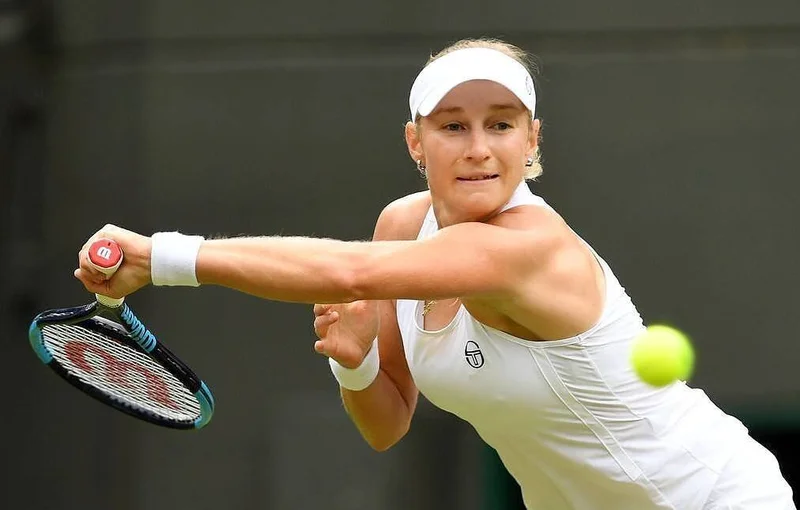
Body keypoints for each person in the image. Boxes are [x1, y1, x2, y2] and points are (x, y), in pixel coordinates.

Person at [74, 38, 794, 509]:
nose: (478, 148)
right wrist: (355, 363)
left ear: (532, 140)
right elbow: (386, 424)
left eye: (501, 124)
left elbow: (348, 272)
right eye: (452, 126)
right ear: (415, 142)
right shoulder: (402, 225)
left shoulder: (525, 247)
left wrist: (160, 257)